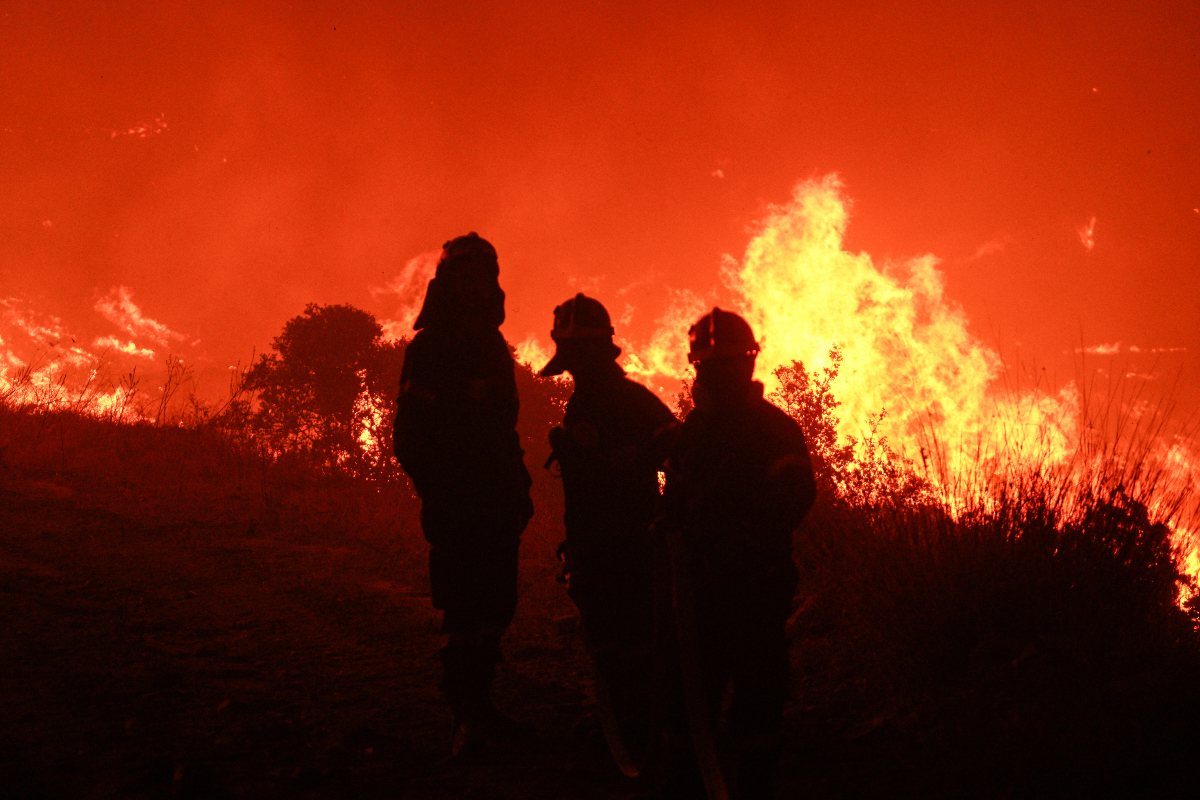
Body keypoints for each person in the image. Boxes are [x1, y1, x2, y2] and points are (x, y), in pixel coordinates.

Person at [660, 308, 817, 800]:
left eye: (728, 363)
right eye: (710, 366)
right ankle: (688, 779)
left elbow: (796, 496)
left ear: (748, 364)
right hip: (702, 587)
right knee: (693, 688)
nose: (719, 374)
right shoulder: (694, 432)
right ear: (697, 369)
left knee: (759, 684)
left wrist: (747, 536)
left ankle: (752, 782)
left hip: (758, 581)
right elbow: (677, 500)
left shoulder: (775, 430)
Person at [393, 232, 534, 757]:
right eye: (469, 274)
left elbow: (502, 426)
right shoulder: (431, 348)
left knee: (495, 605)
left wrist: (516, 487)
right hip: (457, 503)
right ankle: (467, 720)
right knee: (464, 607)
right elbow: (409, 436)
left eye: (486, 273)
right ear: (450, 282)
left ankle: (481, 710)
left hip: (496, 501)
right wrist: (442, 491)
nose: (479, 285)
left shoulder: (491, 347)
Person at [541, 293, 678, 774]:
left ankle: (635, 729)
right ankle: (625, 723)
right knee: (617, 639)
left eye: (575, 357)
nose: (573, 368)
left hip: (626, 546)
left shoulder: (621, 401)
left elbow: (676, 456)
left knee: (628, 639)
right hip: (604, 545)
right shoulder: (606, 400)